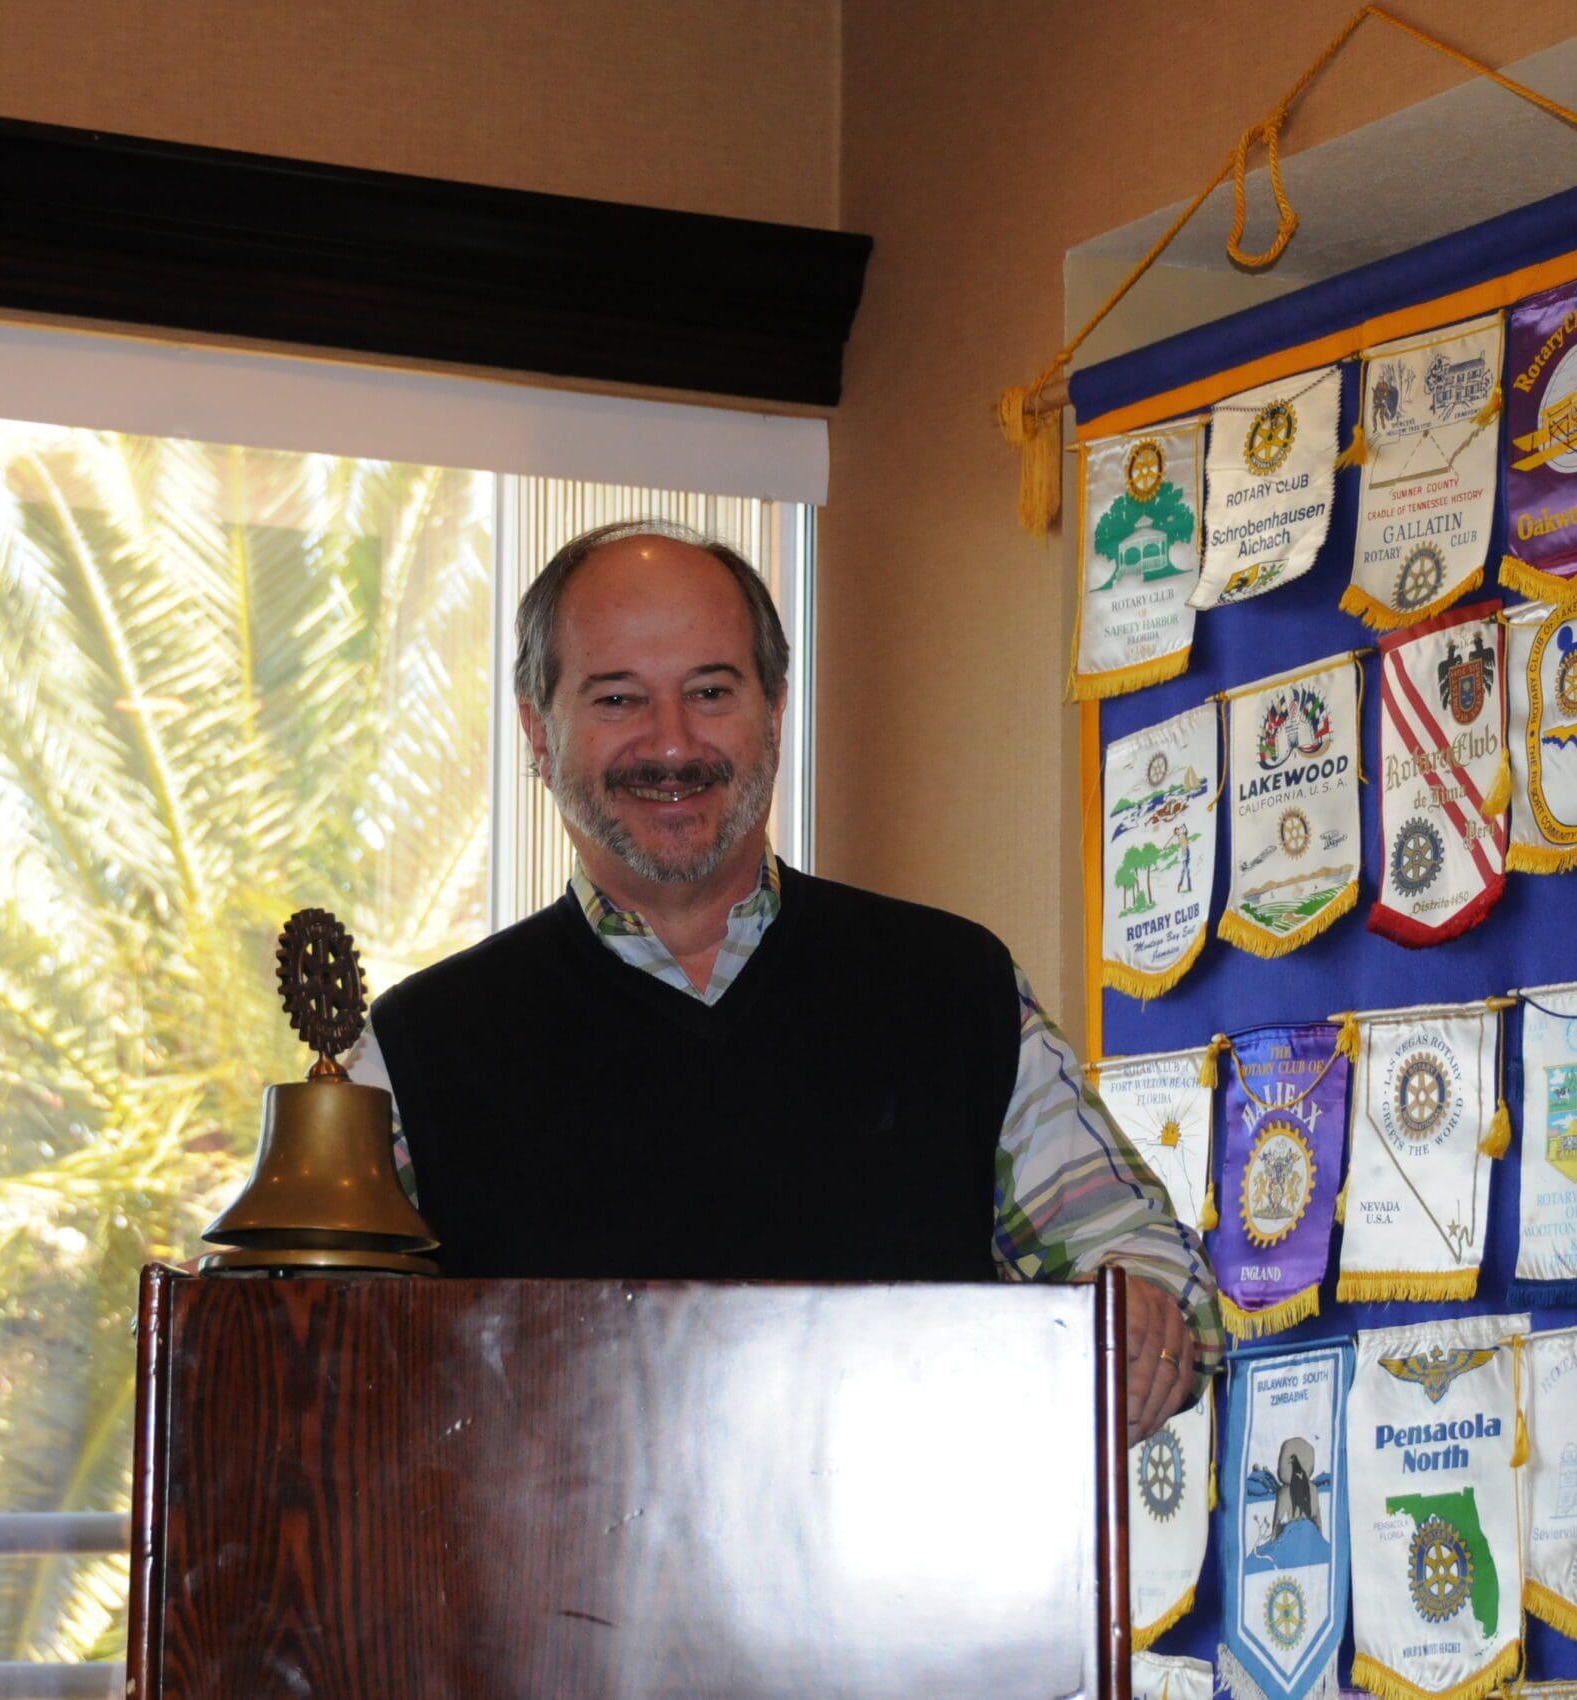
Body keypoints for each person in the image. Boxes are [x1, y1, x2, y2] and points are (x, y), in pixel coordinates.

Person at [349, 520, 1217, 1435]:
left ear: (773, 712)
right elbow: (300, 1351)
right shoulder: (418, 1050)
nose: (672, 744)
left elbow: (1152, 1271)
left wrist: (1141, 1317)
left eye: (710, 691)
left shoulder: (954, 989)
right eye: (618, 699)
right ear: (538, 731)